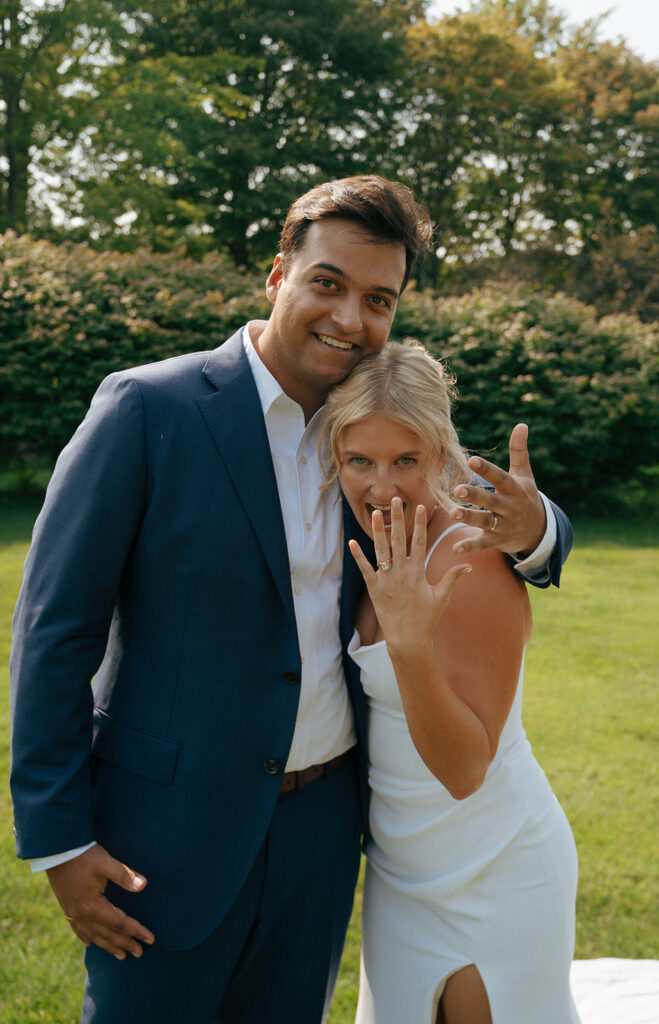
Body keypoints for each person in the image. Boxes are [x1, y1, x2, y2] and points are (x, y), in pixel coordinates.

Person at [10, 176, 572, 1024]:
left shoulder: (373, 432)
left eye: (377, 298)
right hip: (166, 829)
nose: (350, 318)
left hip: (324, 832)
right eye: (327, 284)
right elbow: (56, 630)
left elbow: (495, 512)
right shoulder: (147, 408)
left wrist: (540, 532)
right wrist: (59, 837)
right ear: (278, 275)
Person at [321, 341, 581, 1024]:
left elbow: (465, 769)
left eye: (405, 460)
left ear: (442, 454)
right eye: (359, 461)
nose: (380, 487)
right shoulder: (359, 538)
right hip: (398, 870)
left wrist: (407, 645)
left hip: (491, 867)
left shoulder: (472, 557)